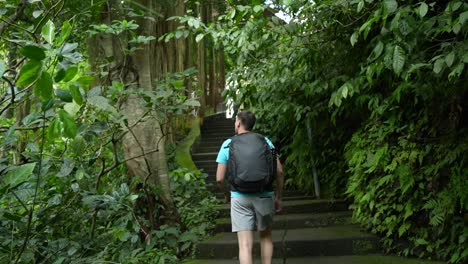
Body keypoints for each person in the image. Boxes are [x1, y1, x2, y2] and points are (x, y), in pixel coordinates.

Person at [215, 110, 284, 264]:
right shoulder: (265, 141)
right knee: (265, 238)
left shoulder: (228, 144)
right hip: (264, 194)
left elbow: (219, 179)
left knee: (244, 245)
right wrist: (278, 197)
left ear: (238, 123)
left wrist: (227, 195)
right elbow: (279, 171)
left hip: (239, 197)